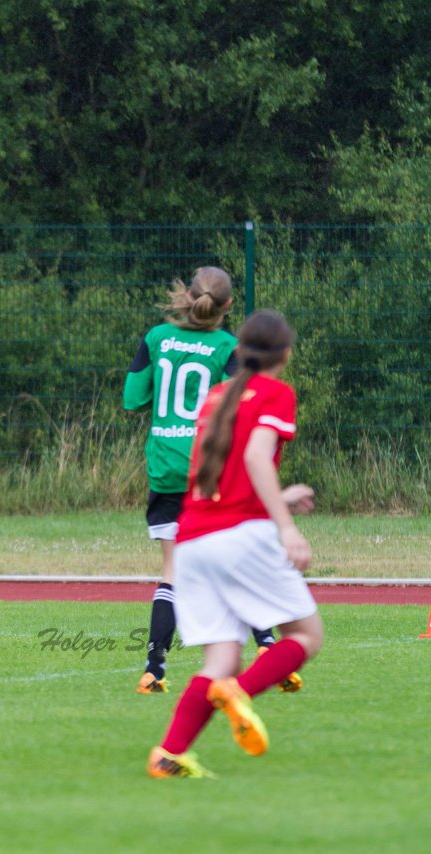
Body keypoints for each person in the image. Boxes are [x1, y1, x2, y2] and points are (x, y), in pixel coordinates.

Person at [147, 309, 322, 778]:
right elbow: (255, 455)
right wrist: (285, 525)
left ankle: (168, 755)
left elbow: (218, 480)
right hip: (240, 539)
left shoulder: (216, 398)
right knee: (305, 635)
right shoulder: (276, 393)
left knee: (220, 659)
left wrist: (276, 500)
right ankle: (238, 691)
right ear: (285, 354)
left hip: (193, 540)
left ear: (240, 350)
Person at [123, 267, 297, 694]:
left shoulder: (156, 338)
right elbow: (235, 407)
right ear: (228, 306)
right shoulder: (227, 347)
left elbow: (132, 399)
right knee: (236, 557)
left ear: (188, 297)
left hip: (164, 467)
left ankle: (154, 669)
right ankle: (268, 646)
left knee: (172, 571)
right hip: (206, 468)